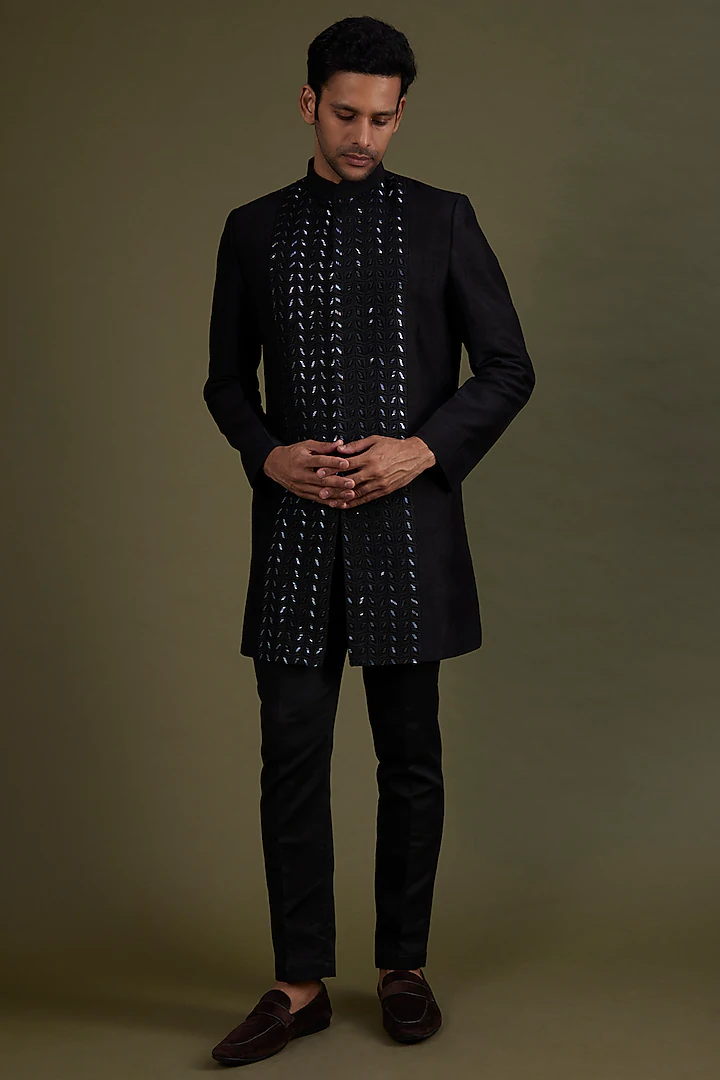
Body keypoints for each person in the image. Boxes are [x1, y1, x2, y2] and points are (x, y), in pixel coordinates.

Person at [203, 15, 535, 1066]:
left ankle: (403, 969)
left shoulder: (443, 219)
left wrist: (422, 451)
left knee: (410, 759)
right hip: (296, 537)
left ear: (401, 114)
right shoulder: (253, 229)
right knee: (291, 757)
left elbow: (509, 367)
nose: (362, 136)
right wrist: (268, 456)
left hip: (407, 536)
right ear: (310, 103)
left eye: (382, 119)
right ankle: (298, 984)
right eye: (345, 114)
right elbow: (225, 381)